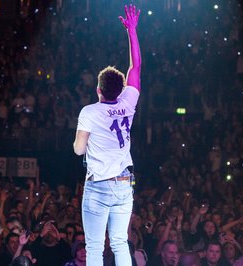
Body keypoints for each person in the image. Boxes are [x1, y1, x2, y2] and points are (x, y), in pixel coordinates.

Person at [72, 3, 141, 266]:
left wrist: (82, 139)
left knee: (94, 247)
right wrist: (132, 31)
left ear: (98, 90)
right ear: (121, 88)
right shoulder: (128, 102)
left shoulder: (89, 112)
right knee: (120, 242)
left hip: (99, 185)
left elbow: (79, 150)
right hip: (124, 184)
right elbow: (136, 66)